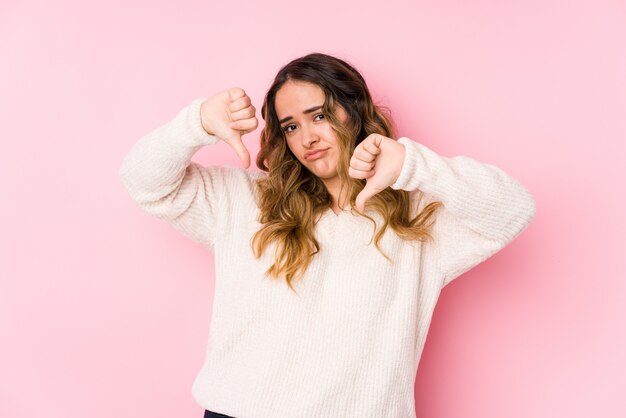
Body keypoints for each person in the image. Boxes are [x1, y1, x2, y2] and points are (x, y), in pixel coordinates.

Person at [119, 52, 536, 418]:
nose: (308, 138)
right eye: (291, 126)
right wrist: (197, 125)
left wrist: (412, 164)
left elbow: (513, 209)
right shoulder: (246, 201)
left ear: (353, 112)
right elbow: (144, 183)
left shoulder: (417, 215)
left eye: (318, 115)